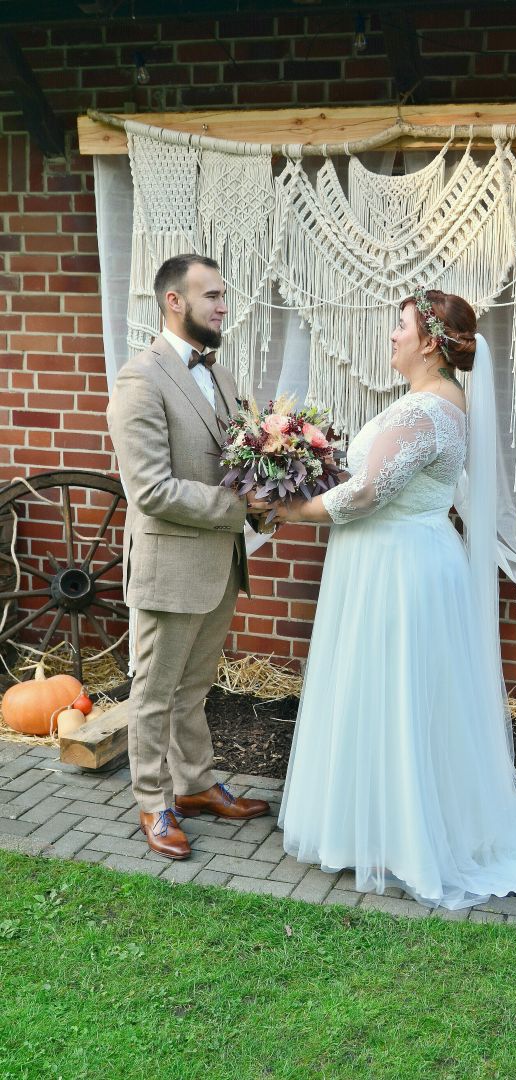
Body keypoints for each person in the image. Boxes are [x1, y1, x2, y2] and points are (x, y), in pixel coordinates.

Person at [263, 288, 516, 926]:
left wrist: (289, 509)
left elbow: (366, 494)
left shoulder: (428, 412)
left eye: (400, 325)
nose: (391, 335)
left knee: (397, 695)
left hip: (401, 569)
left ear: (428, 341)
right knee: (385, 693)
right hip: (389, 561)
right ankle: (379, 826)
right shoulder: (427, 404)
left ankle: (402, 839)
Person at [107, 254, 269, 861]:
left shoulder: (222, 377)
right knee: (153, 692)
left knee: (194, 687)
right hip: (170, 567)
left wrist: (275, 483)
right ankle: (154, 803)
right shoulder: (140, 379)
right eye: (212, 296)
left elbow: (244, 459)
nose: (223, 306)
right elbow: (149, 489)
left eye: (223, 296)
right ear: (174, 302)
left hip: (220, 564)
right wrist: (238, 505)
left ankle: (196, 785)